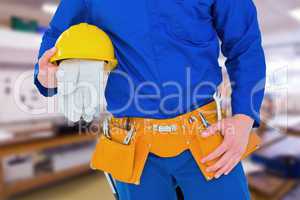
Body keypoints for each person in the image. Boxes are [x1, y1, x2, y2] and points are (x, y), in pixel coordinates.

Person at [34, 0, 266, 199]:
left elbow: (245, 46)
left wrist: (244, 119)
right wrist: (47, 74)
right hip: (131, 146)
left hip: (207, 139)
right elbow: (56, 36)